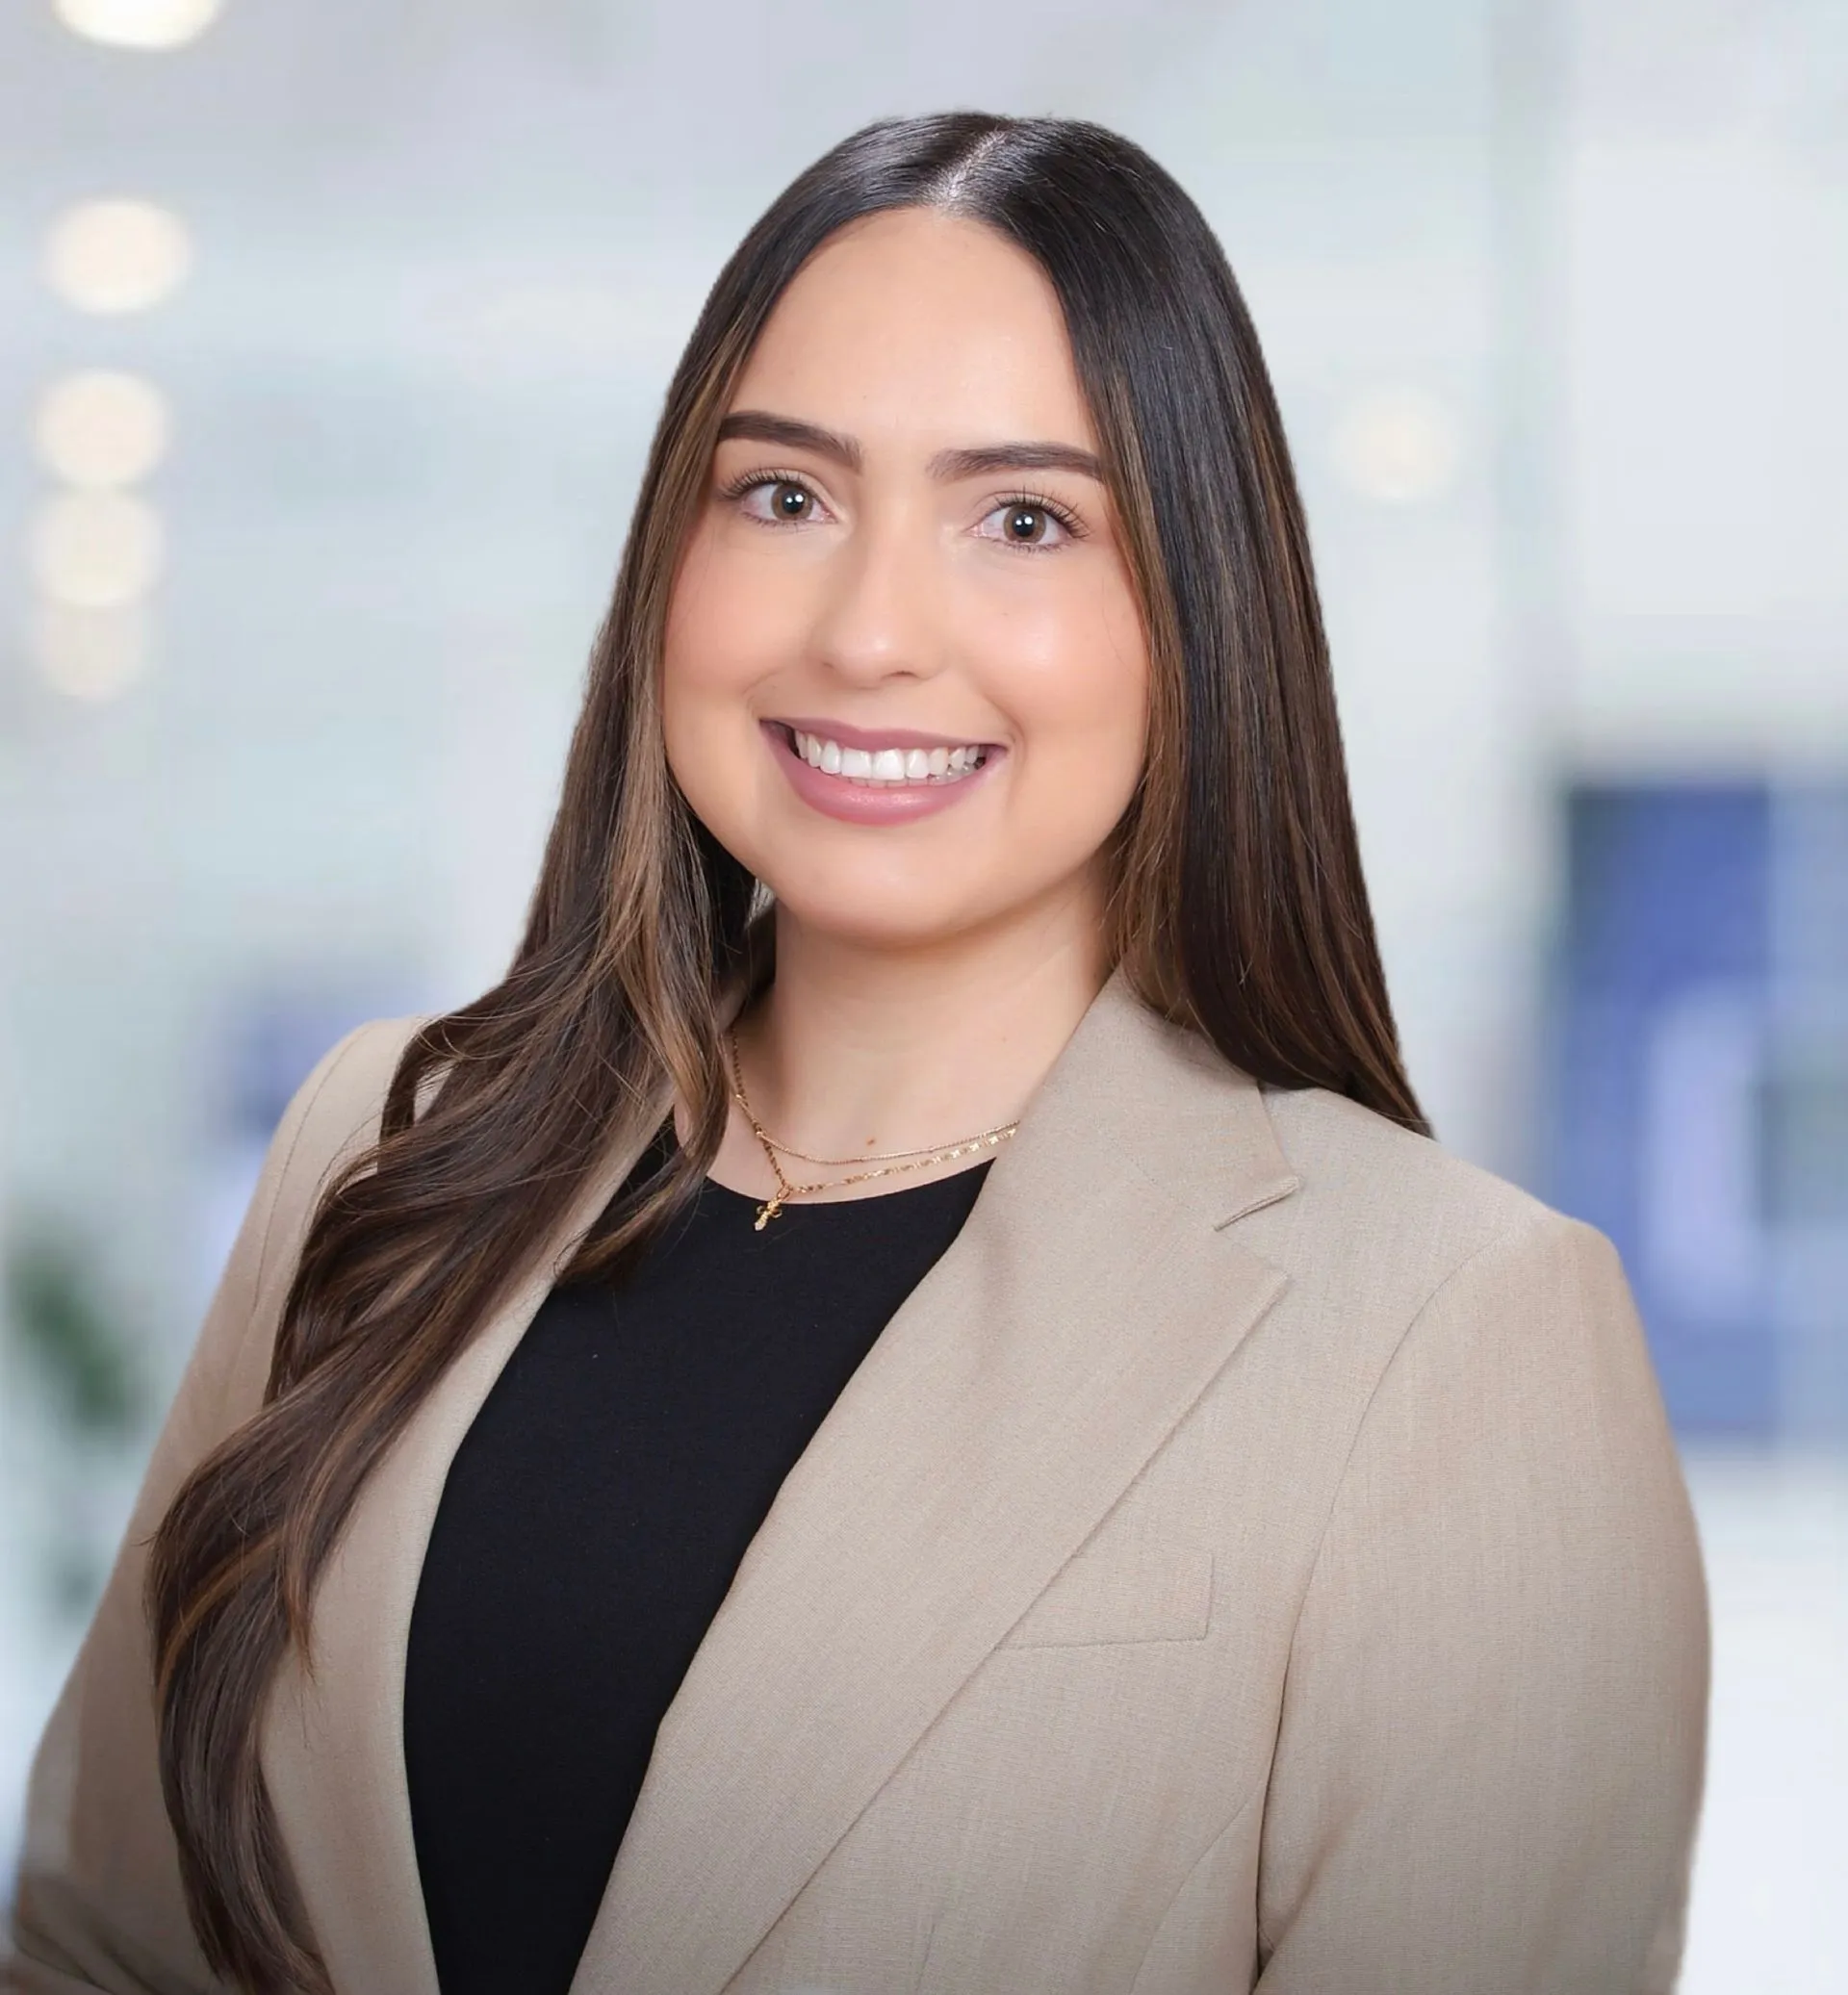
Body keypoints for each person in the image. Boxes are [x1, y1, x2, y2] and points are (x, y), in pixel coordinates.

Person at [4, 113, 1707, 1995]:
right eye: (786, 497)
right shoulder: (388, 1149)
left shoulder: (1452, 1334)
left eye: (1025, 519)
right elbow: (99, 1936)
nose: (871, 628)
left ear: (1196, 614)